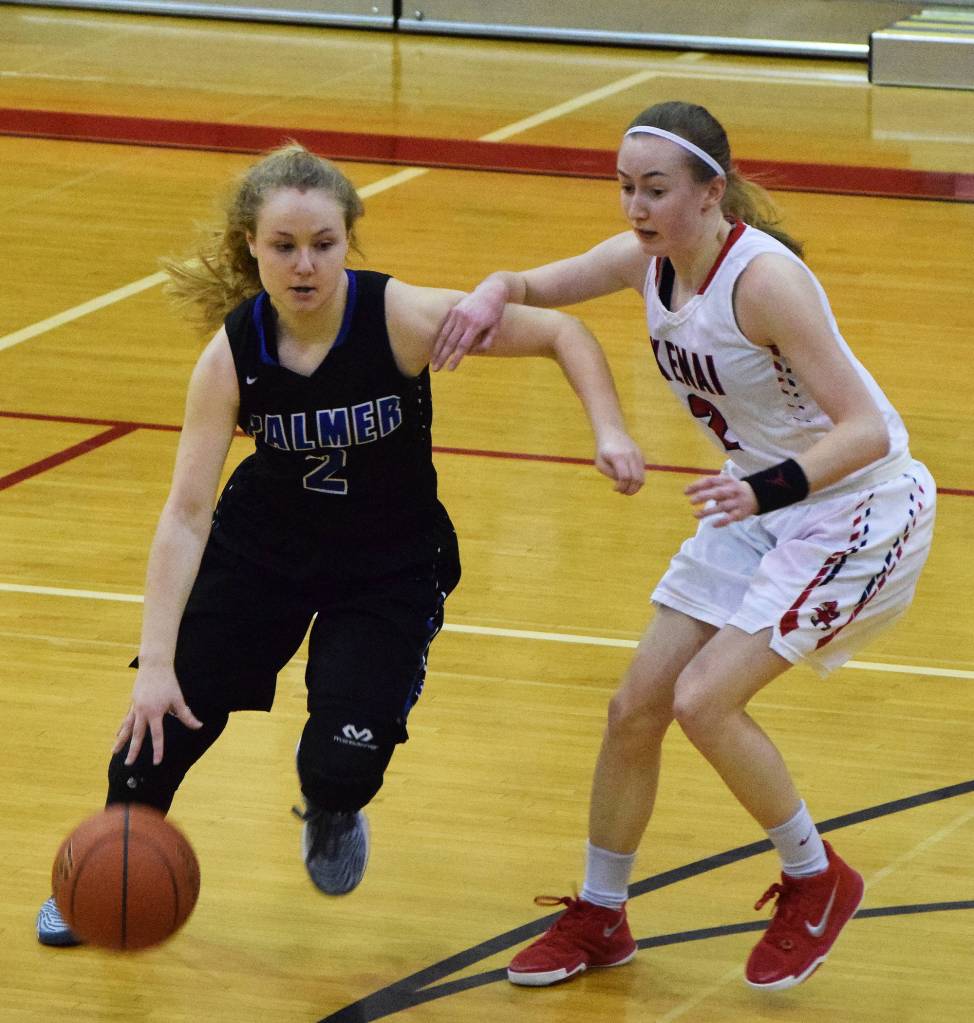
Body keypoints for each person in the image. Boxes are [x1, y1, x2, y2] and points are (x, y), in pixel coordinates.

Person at [36, 142, 646, 946]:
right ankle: (107, 873)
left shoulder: (401, 318)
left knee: (341, 764)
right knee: (157, 730)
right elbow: (185, 515)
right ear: (251, 245)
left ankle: (330, 807)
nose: (304, 265)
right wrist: (154, 662)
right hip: (264, 550)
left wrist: (608, 429)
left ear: (347, 241)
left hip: (387, 564)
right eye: (284, 246)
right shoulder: (230, 355)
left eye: (323, 244)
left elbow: (564, 332)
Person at [431, 100, 936, 991]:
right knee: (636, 707)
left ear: (713, 191)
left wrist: (761, 486)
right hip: (758, 502)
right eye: (624, 187)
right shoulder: (645, 261)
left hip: (856, 507)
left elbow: (866, 431)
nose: (634, 208)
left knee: (705, 700)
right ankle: (600, 912)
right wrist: (491, 289)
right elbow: (535, 287)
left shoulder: (765, 281)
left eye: (654, 189)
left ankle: (819, 879)